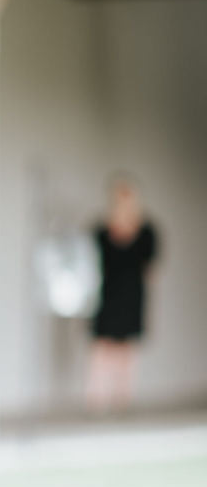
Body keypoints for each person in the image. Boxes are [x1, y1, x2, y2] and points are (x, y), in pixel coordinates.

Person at [86, 176, 158, 414]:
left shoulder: (146, 232)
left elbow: (151, 267)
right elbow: (89, 264)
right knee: (102, 347)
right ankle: (97, 400)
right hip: (106, 295)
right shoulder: (101, 231)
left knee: (127, 349)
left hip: (132, 296)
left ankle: (123, 400)